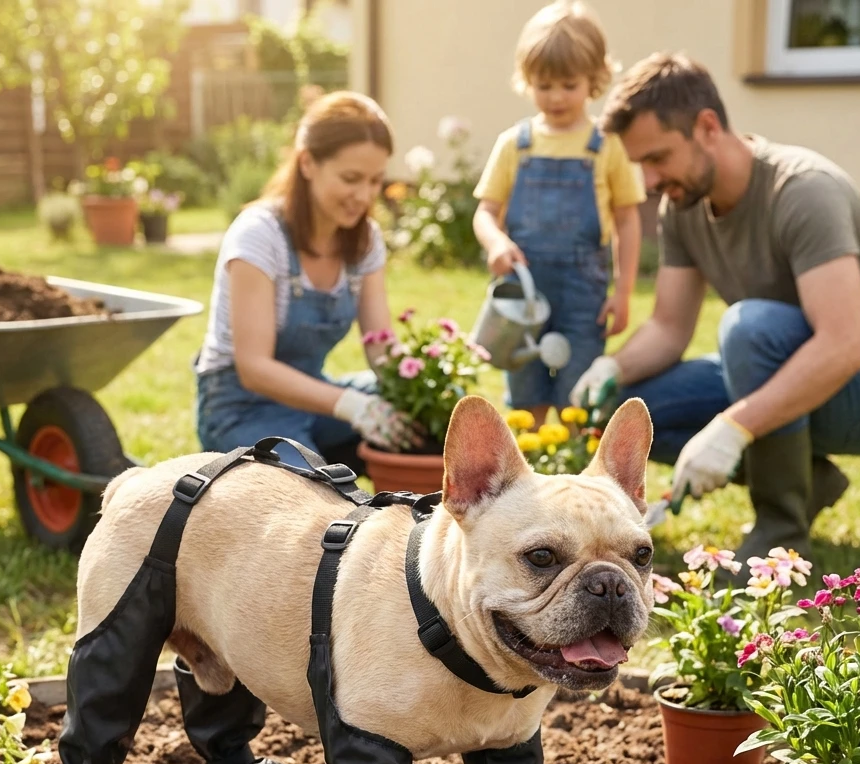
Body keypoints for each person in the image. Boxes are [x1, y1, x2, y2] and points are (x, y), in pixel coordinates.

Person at [570, 52, 860, 567]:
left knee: (748, 328)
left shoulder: (804, 190)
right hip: (777, 367)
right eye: (640, 164)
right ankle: (808, 481)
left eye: (658, 158)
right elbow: (669, 327)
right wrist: (612, 367)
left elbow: (844, 345)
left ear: (707, 127)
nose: (649, 181)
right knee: (631, 408)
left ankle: (780, 531)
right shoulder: (683, 206)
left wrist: (733, 428)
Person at [194, 91, 421, 471]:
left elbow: (380, 347)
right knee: (307, 497)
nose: (364, 196)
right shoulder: (259, 235)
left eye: (375, 181)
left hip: (312, 400)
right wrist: (352, 405)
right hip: (240, 410)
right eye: (350, 178)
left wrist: (427, 389)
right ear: (307, 163)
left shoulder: (365, 240)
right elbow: (253, 368)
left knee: (429, 424)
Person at [472, 0, 645, 426]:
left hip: (583, 297)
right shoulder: (515, 144)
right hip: (524, 295)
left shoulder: (607, 144)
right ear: (526, 79)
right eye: (543, 85)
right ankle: (530, 458)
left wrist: (623, 292)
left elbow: (628, 220)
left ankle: (574, 459)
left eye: (569, 85)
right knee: (526, 393)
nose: (555, 97)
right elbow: (485, 212)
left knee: (577, 395)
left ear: (595, 79)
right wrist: (496, 241)